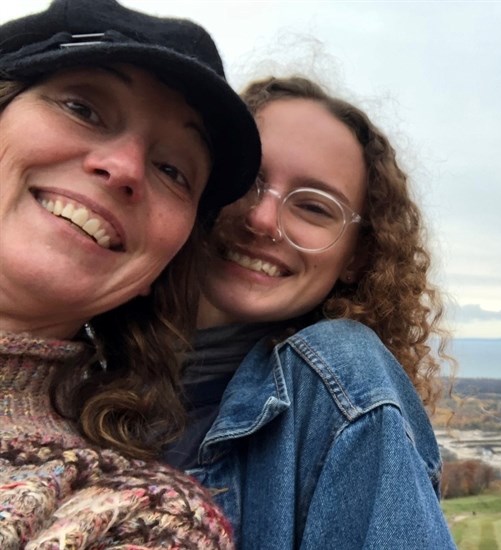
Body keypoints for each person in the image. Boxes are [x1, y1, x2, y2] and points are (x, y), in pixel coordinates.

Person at [0, 0, 260, 547]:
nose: (124, 168)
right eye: (83, 108)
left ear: (158, 272)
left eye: (173, 170)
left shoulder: (144, 517)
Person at [165, 76, 457, 548]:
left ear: (358, 256)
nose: (262, 219)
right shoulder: (76, 361)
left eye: (315, 208)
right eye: (247, 180)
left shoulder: (341, 383)